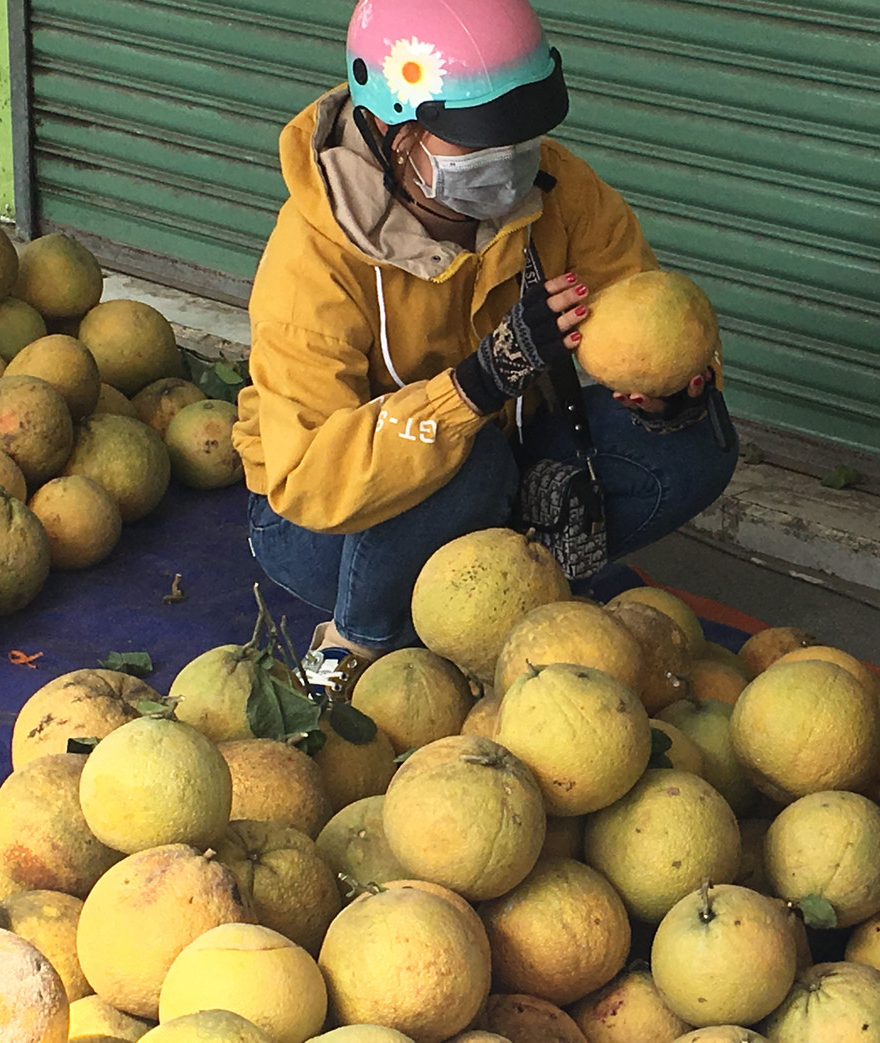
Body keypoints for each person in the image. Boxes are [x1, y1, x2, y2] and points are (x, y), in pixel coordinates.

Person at [231, 0, 737, 696]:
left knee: (692, 438)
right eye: (482, 141)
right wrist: (474, 384)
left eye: (520, 135)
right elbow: (307, 477)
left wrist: (672, 384)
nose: (511, 163)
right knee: (472, 458)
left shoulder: (557, 190)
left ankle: (512, 588)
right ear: (394, 131)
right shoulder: (310, 262)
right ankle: (351, 645)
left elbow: (642, 302)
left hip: (501, 461)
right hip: (324, 525)